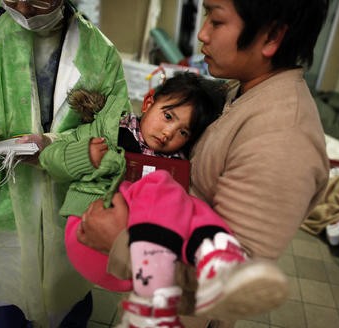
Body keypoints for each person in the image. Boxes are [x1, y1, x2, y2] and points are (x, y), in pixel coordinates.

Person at [77, 0, 330, 326]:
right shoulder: (240, 90)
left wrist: (119, 243)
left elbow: (231, 283)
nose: (202, 33)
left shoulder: (283, 137)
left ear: (272, 37)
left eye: (217, 19)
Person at [39, 72, 289, 327]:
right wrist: (85, 155)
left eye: (183, 132)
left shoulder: (178, 160)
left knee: (189, 205)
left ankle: (218, 255)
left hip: (128, 257)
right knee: (161, 186)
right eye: (168, 116)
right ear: (148, 103)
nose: (169, 133)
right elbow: (50, 158)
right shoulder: (107, 130)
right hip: (88, 230)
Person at [0, 0, 131, 327]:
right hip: (3, 207)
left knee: (70, 304)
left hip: (69, 207)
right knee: (8, 307)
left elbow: (116, 132)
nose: (24, 8)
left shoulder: (99, 53)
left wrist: (53, 147)